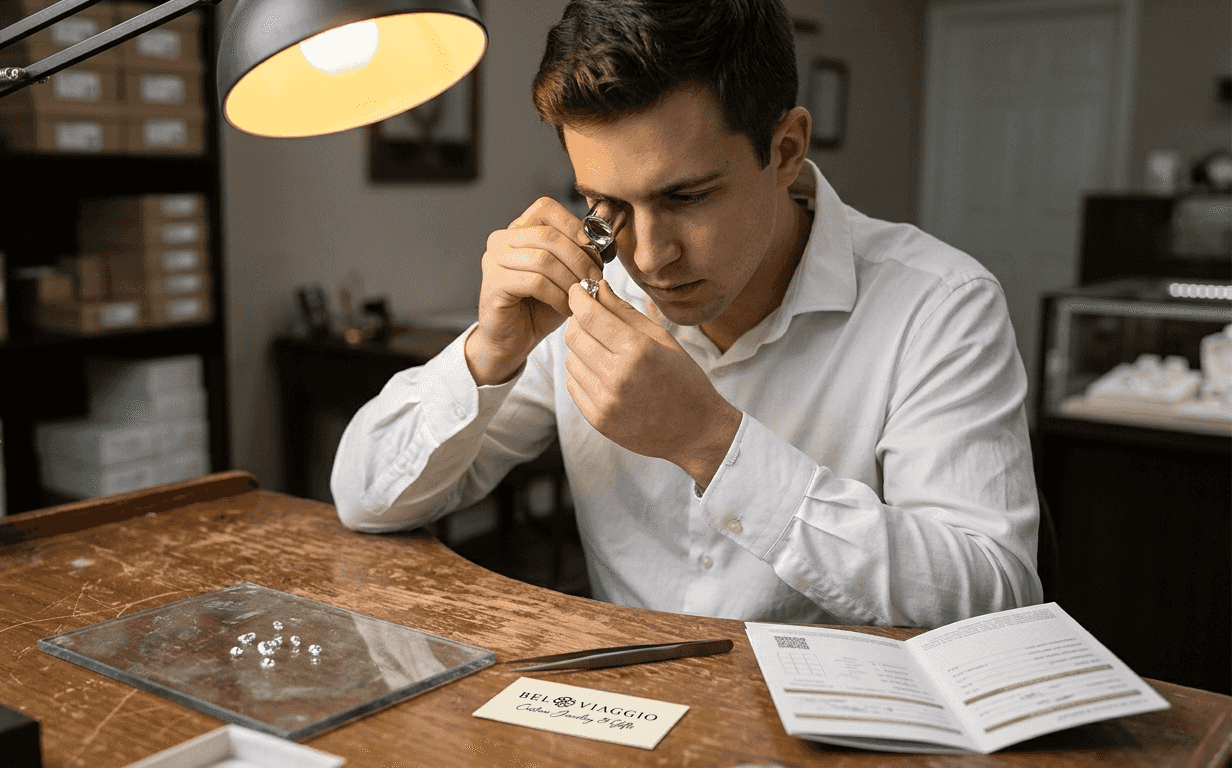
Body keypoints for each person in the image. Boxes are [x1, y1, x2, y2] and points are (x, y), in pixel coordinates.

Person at [332, 0, 1042, 628]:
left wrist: (710, 442)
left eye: (687, 197)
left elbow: (994, 597)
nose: (649, 257)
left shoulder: (939, 303)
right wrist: (486, 355)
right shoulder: (592, 291)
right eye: (608, 204)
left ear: (786, 149)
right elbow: (366, 499)